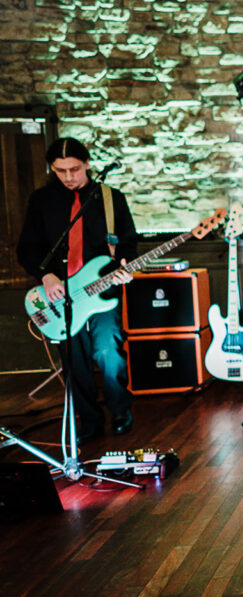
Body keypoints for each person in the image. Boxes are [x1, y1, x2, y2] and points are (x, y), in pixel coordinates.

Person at [17, 137, 137, 443]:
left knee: (109, 352)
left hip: (103, 290)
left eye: (75, 169)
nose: (69, 177)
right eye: (61, 171)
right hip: (61, 296)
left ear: (87, 164)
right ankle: (89, 420)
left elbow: (128, 241)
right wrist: (46, 276)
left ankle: (120, 411)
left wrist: (125, 264)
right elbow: (27, 249)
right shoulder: (41, 201)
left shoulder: (110, 198)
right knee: (75, 361)